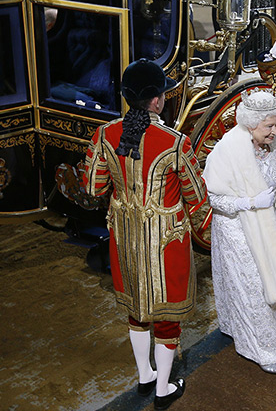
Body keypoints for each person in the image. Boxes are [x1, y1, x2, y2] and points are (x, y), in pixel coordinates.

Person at [83, 58, 207, 410]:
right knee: (166, 315)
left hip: (124, 235)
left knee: (136, 309)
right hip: (167, 240)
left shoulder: (105, 134)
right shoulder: (175, 142)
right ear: (156, 100)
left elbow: (93, 186)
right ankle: (164, 387)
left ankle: (144, 376)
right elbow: (197, 200)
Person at [203, 89, 276, 374]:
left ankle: (241, 328)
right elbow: (214, 198)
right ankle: (264, 351)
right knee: (255, 288)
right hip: (237, 226)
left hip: (267, 225)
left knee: (266, 284)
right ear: (250, 124)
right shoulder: (227, 149)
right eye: (269, 125)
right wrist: (249, 203)